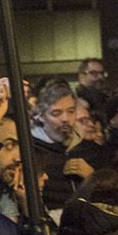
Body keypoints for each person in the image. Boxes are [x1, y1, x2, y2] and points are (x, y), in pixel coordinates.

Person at [30, 82, 87, 210]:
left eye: (71, 111)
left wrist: (91, 176)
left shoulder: (87, 146)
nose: (65, 118)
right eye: (56, 113)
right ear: (41, 116)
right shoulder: (32, 151)